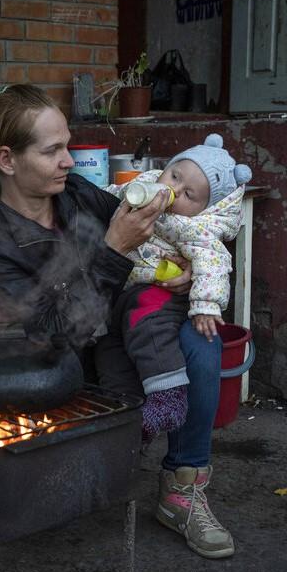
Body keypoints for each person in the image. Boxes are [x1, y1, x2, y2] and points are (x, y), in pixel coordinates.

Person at [0, 83, 235, 559]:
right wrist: (113, 250)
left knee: (201, 335)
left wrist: (185, 268)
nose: (69, 161)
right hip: (66, 366)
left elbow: (144, 228)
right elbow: (43, 339)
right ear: (7, 160)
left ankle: (182, 489)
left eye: (67, 144)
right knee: (179, 339)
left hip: (122, 333)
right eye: (53, 151)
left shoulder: (72, 192)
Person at [103, 134, 251, 443]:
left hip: (158, 294)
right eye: (174, 176)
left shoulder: (193, 227)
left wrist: (206, 305)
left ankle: (168, 397)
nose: (173, 190)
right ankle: (128, 419)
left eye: (188, 195)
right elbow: (109, 199)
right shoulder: (141, 189)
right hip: (121, 296)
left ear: (202, 210)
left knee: (149, 326)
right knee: (111, 351)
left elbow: (213, 260)